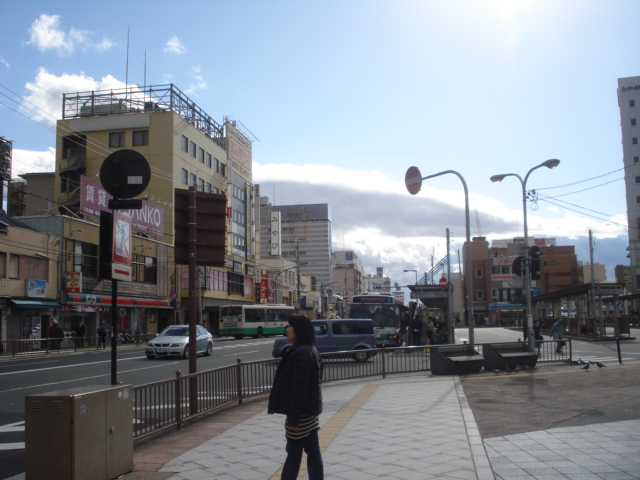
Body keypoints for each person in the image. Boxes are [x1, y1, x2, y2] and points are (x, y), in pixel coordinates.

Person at [268, 314, 323, 480]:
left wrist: (293, 420)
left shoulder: (301, 353)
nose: (287, 329)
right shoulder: (307, 349)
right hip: (308, 412)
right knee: (312, 453)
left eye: (290, 326)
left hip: (300, 415)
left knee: (293, 455)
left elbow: (300, 389)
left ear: (299, 330)